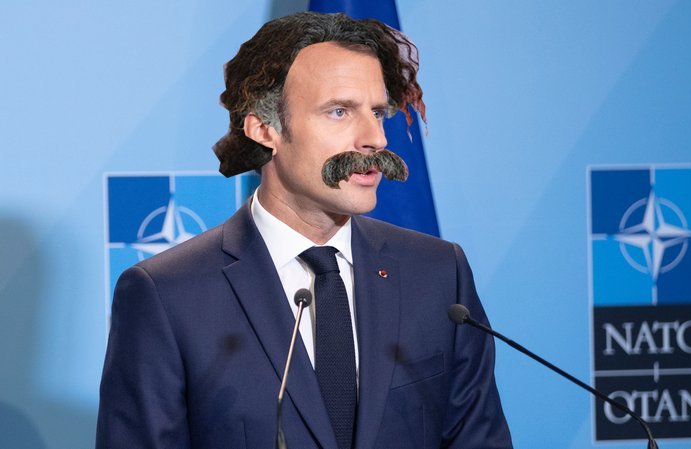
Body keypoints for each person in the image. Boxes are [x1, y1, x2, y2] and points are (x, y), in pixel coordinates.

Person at [96, 12, 512, 449]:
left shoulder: (439, 273)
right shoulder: (167, 294)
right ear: (264, 129)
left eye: (377, 112)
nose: (375, 138)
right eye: (339, 111)